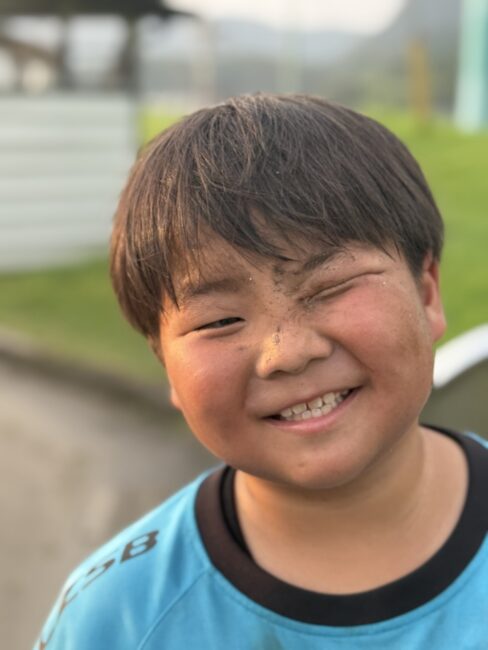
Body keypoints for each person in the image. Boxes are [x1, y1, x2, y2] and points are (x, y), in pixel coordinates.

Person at [34, 94, 488, 649]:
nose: (287, 352)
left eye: (331, 287)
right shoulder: (116, 619)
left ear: (427, 293)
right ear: (165, 365)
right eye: (220, 320)